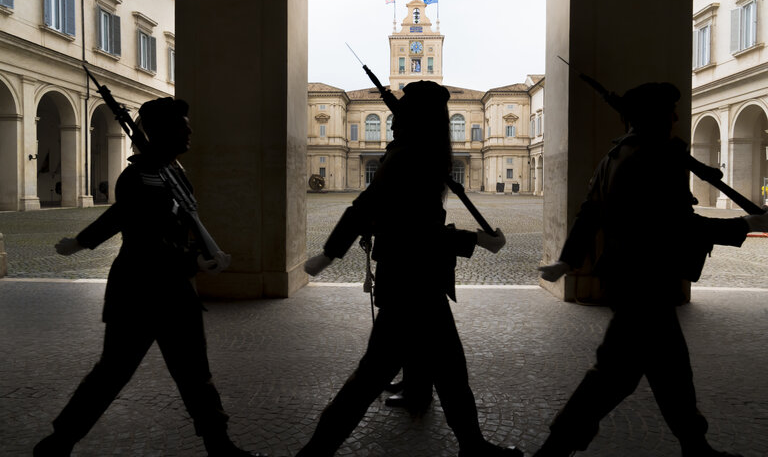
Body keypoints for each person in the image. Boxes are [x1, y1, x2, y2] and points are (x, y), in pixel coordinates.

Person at [535, 82, 768, 457]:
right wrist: (747, 225)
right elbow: (678, 226)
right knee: (615, 375)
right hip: (645, 280)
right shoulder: (655, 158)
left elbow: (589, 212)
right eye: (669, 112)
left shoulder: (615, 155)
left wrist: (568, 259)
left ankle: (696, 445)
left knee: (669, 369)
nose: (676, 117)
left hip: (628, 278)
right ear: (654, 116)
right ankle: (553, 450)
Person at [298, 80, 522, 457]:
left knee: (444, 372)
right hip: (413, 282)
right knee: (383, 377)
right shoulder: (414, 157)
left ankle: (473, 446)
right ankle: (314, 453)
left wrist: (330, 254)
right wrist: (481, 240)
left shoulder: (407, 154)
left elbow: (372, 210)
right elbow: (418, 231)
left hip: (413, 280)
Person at [33, 98, 264, 457]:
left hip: (176, 293)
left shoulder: (175, 172)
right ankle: (59, 441)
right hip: (138, 294)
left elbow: (182, 223)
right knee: (111, 374)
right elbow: (141, 237)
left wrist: (201, 254)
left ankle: (220, 445)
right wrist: (195, 263)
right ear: (157, 133)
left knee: (196, 376)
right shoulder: (137, 178)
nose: (189, 130)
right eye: (181, 125)